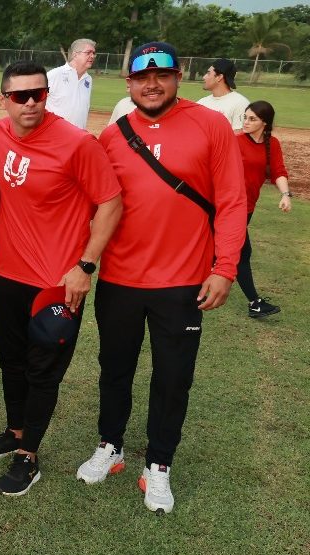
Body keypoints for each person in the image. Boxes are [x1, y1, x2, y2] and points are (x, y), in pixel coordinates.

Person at [84, 42, 247, 513]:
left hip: (182, 282)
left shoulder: (211, 125)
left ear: (179, 77)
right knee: (114, 370)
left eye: (161, 75)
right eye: (141, 77)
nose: (151, 84)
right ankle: (110, 446)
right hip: (119, 279)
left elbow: (233, 202)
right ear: (129, 83)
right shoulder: (113, 136)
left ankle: (158, 464)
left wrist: (225, 268)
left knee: (173, 377)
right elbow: (94, 204)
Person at [0, 60, 122, 496]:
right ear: (3, 100)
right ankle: (15, 431)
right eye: (20, 96)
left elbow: (111, 204)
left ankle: (29, 456)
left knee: (43, 373)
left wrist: (85, 266)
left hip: (57, 285)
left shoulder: (77, 143)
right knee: (11, 364)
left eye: (38, 94)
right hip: (7, 275)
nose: (31, 103)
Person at [235, 100, 292, 318]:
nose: (246, 122)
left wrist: (285, 195)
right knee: (241, 253)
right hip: (229, 206)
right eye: (245, 117)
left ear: (264, 123)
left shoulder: (272, 144)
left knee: (224, 250)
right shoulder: (235, 141)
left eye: (252, 119)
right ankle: (255, 303)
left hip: (248, 206)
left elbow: (278, 171)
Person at [45, 38, 97, 129]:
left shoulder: (88, 79)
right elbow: (37, 103)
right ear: (75, 54)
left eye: (93, 53)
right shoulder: (54, 75)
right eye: (88, 52)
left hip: (78, 136)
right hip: (55, 134)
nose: (92, 56)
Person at [197, 58, 248, 132]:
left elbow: (239, 137)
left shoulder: (240, 103)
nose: (204, 77)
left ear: (219, 77)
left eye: (208, 73)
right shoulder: (201, 102)